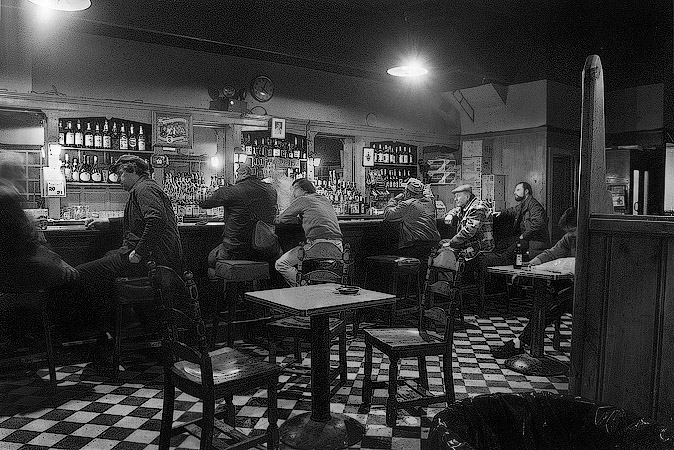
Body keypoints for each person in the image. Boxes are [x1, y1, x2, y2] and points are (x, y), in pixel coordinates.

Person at [491, 206, 577, 359]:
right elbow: (552, 253)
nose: (569, 234)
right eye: (568, 231)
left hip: (589, 291)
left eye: (573, 230)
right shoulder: (570, 238)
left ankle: (521, 341)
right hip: (573, 287)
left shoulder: (592, 241)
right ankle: (532, 325)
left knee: (550, 305)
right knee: (547, 302)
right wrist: (531, 264)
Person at [80, 155, 183, 280]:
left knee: (80, 273)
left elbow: (157, 220)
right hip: (151, 255)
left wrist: (139, 253)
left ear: (133, 170)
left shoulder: (144, 189)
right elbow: (139, 220)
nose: (118, 179)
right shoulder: (143, 187)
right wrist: (107, 222)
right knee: (105, 258)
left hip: (152, 259)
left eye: (120, 174)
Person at [0, 152, 79, 290]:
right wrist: (59, 262)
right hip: (13, 267)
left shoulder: (8, 194)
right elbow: (23, 242)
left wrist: (30, 225)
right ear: (10, 172)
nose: (24, 176)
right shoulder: (6, 196)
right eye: (21, 170)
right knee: (70, 276)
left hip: (11, 263)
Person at [199, 163, 279, 281]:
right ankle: (253, 293)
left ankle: (226, 296)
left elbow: (205, 203)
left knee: (209, 260)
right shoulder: (271, 189)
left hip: (236, 250)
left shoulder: (232, 191)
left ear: (244, 174)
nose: (236, 177)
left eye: (237, 174)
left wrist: (214, 192)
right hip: (266, 251)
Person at [275, 178, 342, 286]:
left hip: (317, 245)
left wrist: (298, 219)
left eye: (293, 190)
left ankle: (304, 288)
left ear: (301, 189)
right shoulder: (324, 199)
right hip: (338, 247)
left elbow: (282, 218)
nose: (293, 194)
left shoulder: (303, 199)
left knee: (281, 264)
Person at [382, 177, 440, 262]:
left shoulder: (407, 204)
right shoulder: (430, 203)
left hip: (414, 247)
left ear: (408, 193)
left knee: (386, 250)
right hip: (432, 246)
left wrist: (394, 200)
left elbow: (387, 215)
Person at [497, 181, 550, 261]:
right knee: (502, 244)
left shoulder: (534, 205)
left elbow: (539, 224)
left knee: (507, 254)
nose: (514, 192)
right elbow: (513, 210)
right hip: (526, 239)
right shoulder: (524, 204)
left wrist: (524, 235)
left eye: (518, 190)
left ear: (526, 191)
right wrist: (501, 212)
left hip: (533, 240)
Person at [441, 184, 494, 263]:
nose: (455, 199)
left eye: (458, 196)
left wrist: (451, 243)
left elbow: (469, 231)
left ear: (467, 197)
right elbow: (456, 209)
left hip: (479, 249)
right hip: (469, 245)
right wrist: (450, 215)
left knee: (444, 254)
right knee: (441, 244)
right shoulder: (466, 206)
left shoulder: (478, 208)